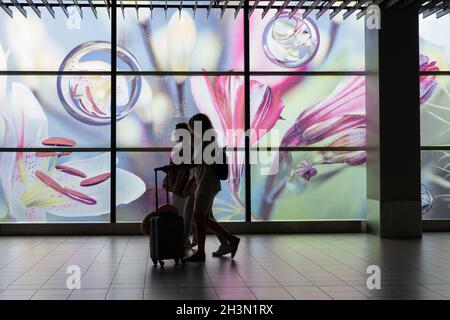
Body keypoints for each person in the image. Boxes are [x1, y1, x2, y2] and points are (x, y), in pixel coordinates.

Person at [185, 113, 240, 262]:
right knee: (205, 218)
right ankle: (227, 242)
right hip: (206, 183)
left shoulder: (205, 141)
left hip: (206, 184)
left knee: (199, 217)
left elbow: (196, 163)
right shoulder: (208, 140)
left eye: (192, 128)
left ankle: (204, 251)